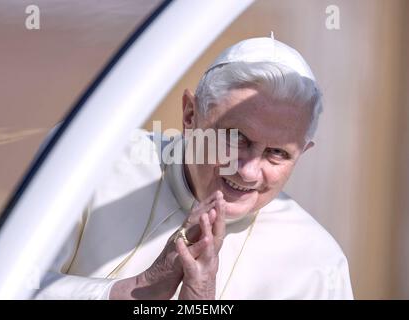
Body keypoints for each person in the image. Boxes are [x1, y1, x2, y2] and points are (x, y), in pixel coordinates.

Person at [35, 37, 354, 300]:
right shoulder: (90, 160)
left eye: (277, 154)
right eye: (238, 139)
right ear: (190, 115)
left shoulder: (317, 264)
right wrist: (132, 293)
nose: (248, 172)